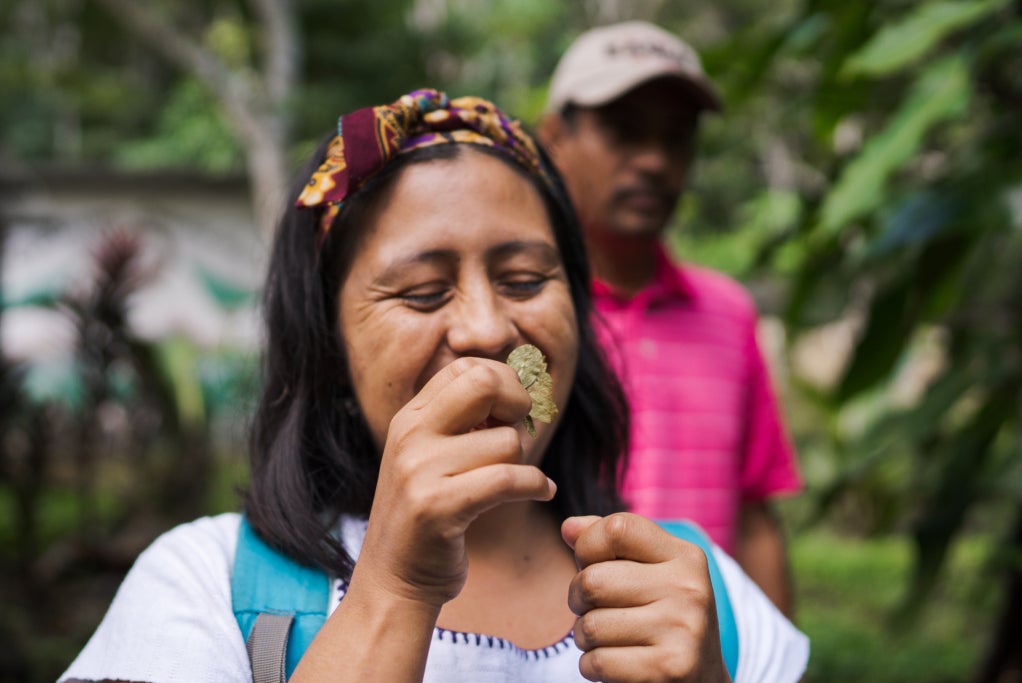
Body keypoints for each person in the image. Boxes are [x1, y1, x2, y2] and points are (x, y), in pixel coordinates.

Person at [60, 89, 808, 682]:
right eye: (421, 292)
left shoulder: (703, 596)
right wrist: (392, 587)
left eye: (523, 279)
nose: (486, 329)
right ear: (331, 346)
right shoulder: (202, 589)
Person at [536, 21, 803, 617]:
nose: (655, 161)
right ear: (554, 137)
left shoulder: (728, 314)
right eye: (623, 132)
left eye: (676, 139)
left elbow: (754, 515)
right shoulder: (520, 316)